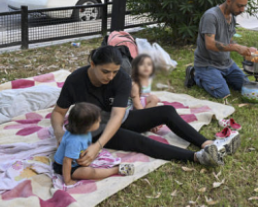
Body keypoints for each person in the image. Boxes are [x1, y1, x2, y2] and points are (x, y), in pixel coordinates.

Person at [50, 46, 240, 168]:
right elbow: (58, 113)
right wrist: (60, 135)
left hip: (118, 120)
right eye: (105, 72)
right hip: (94, 128)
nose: (109, 77)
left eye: (114, 72)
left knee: (166, 111)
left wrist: (98, 147)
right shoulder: (75, 80)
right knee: (138, 141)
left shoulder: (121, 78)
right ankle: (198, 157)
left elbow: (118, 116)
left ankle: (208, 144)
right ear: (92, 64)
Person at [184, 0, 257, 99]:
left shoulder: (232, 16)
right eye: (239, 5)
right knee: (222, 93)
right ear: (229, 1)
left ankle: (220, 78)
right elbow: (210, 44)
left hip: (226, 64)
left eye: (244, 6)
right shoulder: (211, 16)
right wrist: (236, 48)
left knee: (248, 88)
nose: (242, 9)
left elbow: (229, 40)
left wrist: (245, 49)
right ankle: (194, 74)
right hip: (207, 64)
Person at [53, 102, 135, 186]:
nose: (100, 121)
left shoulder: (83, 131)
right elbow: (66, 161)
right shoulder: (74, 141)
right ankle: (116, 170)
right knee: (91, 172)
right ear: (87, 125)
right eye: (97, 121)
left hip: (76, 160)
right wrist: (67, 180)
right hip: (65, 167)